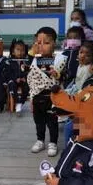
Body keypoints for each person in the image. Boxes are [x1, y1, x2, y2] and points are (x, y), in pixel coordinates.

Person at [26, 26, 67, 157]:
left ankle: (53, 142)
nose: (42, 46)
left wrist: (57, 74)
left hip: (52, 97)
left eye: (46, 43)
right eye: (39, 42)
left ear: (54, 43)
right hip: (37, 96)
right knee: (39, 121)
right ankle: (40, 140)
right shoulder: (34, 59)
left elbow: (64, 76)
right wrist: (32, 99)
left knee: (52, 121)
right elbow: (30, 77)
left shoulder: (60, 60)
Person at [7, 39, 30, 115]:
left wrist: (25, 78)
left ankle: (20, 103)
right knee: (12, 85)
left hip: (23, 80)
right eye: (18, 50)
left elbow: (28, 71)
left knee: (27, 87)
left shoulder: (26, 61)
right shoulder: (10, 61)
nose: (20, 52)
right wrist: (15, 78)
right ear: (13, 51)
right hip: (13, 80)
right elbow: (8, 73)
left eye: (22, 50)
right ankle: (17, 103)